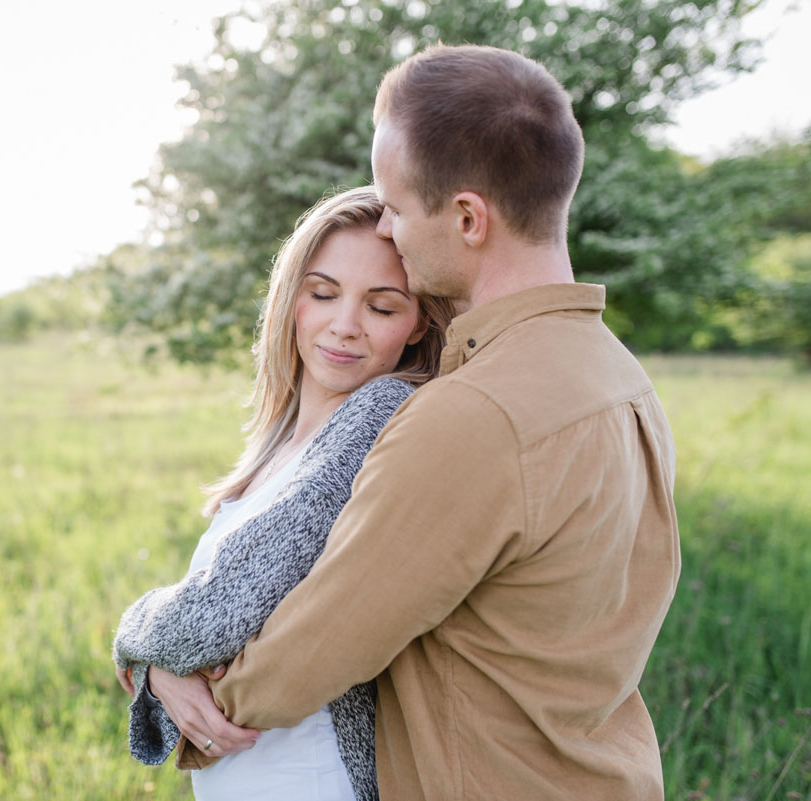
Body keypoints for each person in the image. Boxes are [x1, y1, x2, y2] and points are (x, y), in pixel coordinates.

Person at [168, 44, 680, 801]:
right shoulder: (623, 380)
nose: (393, 235)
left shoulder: (472, 416)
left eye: (399, 208)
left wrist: (174, 692)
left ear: (468, 217)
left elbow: (312, 651)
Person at [112, 185, 455, 801]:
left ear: (418, 324)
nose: (344, 326)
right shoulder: (281, 443)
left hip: (315, 777)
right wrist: (160, 672)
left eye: (381, 307)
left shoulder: (379, 413)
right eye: (322, 294)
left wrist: (138, 636)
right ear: (290, 296)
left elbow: (221, 610)